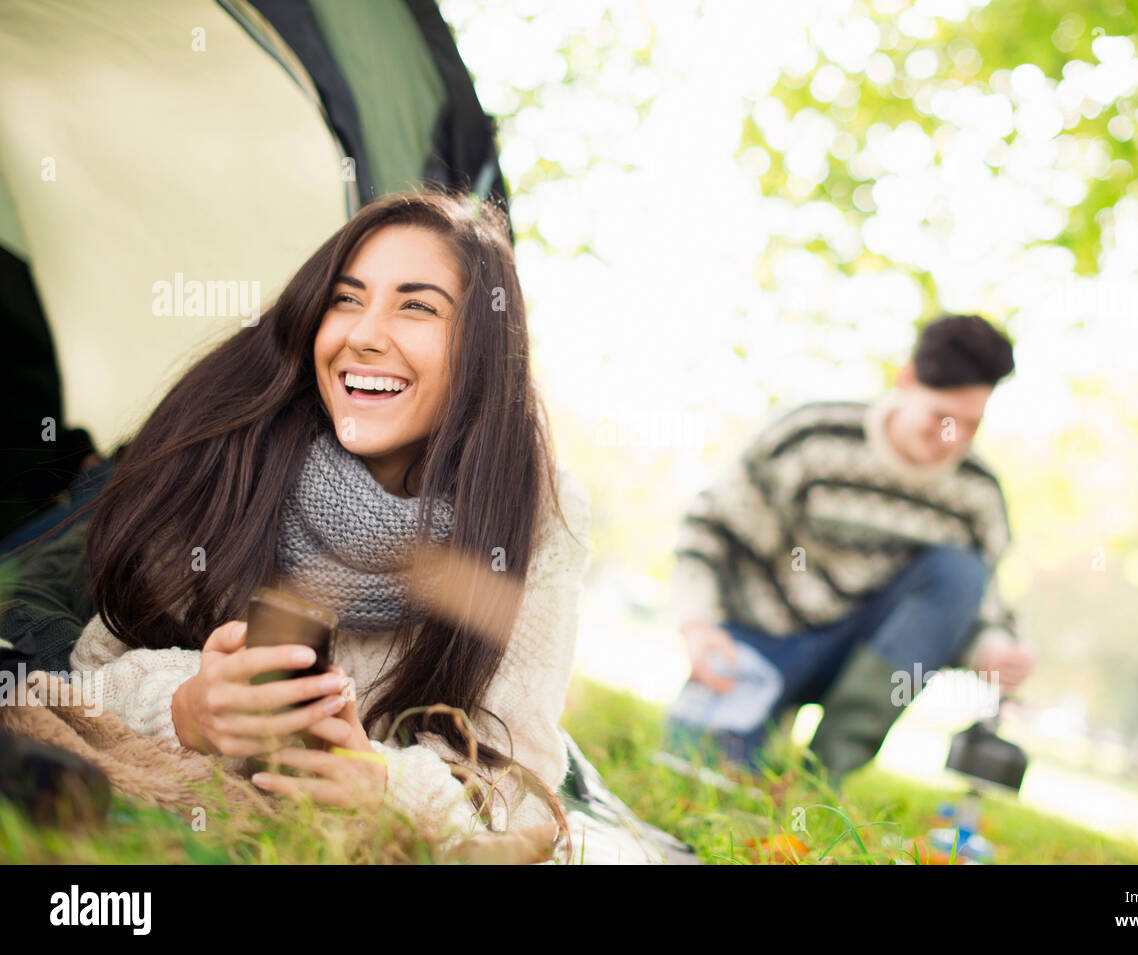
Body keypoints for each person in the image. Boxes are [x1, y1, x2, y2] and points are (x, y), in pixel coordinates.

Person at [9, 187, 593, 861]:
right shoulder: (237, 446)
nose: (363, 334)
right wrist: (186, 705)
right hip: (80, 541)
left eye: (416, 305)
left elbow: (518, 793)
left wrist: (385, 787)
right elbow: (90, 673)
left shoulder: (536, 511)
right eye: (346, 298)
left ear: (483, 348)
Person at [663, 314, 1037, 783]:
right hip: (762, 642)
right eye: (941, 418)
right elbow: (710, 525)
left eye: (970, 424)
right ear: (905, 382)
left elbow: (979, 604)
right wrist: (697, 623)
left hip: (866, 663)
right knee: (695, 776)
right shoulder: (812, 437)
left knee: (960, 571)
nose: (953, 440)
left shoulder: (977, 494)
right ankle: (745, 737)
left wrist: (993, 649)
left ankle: (822, 777)